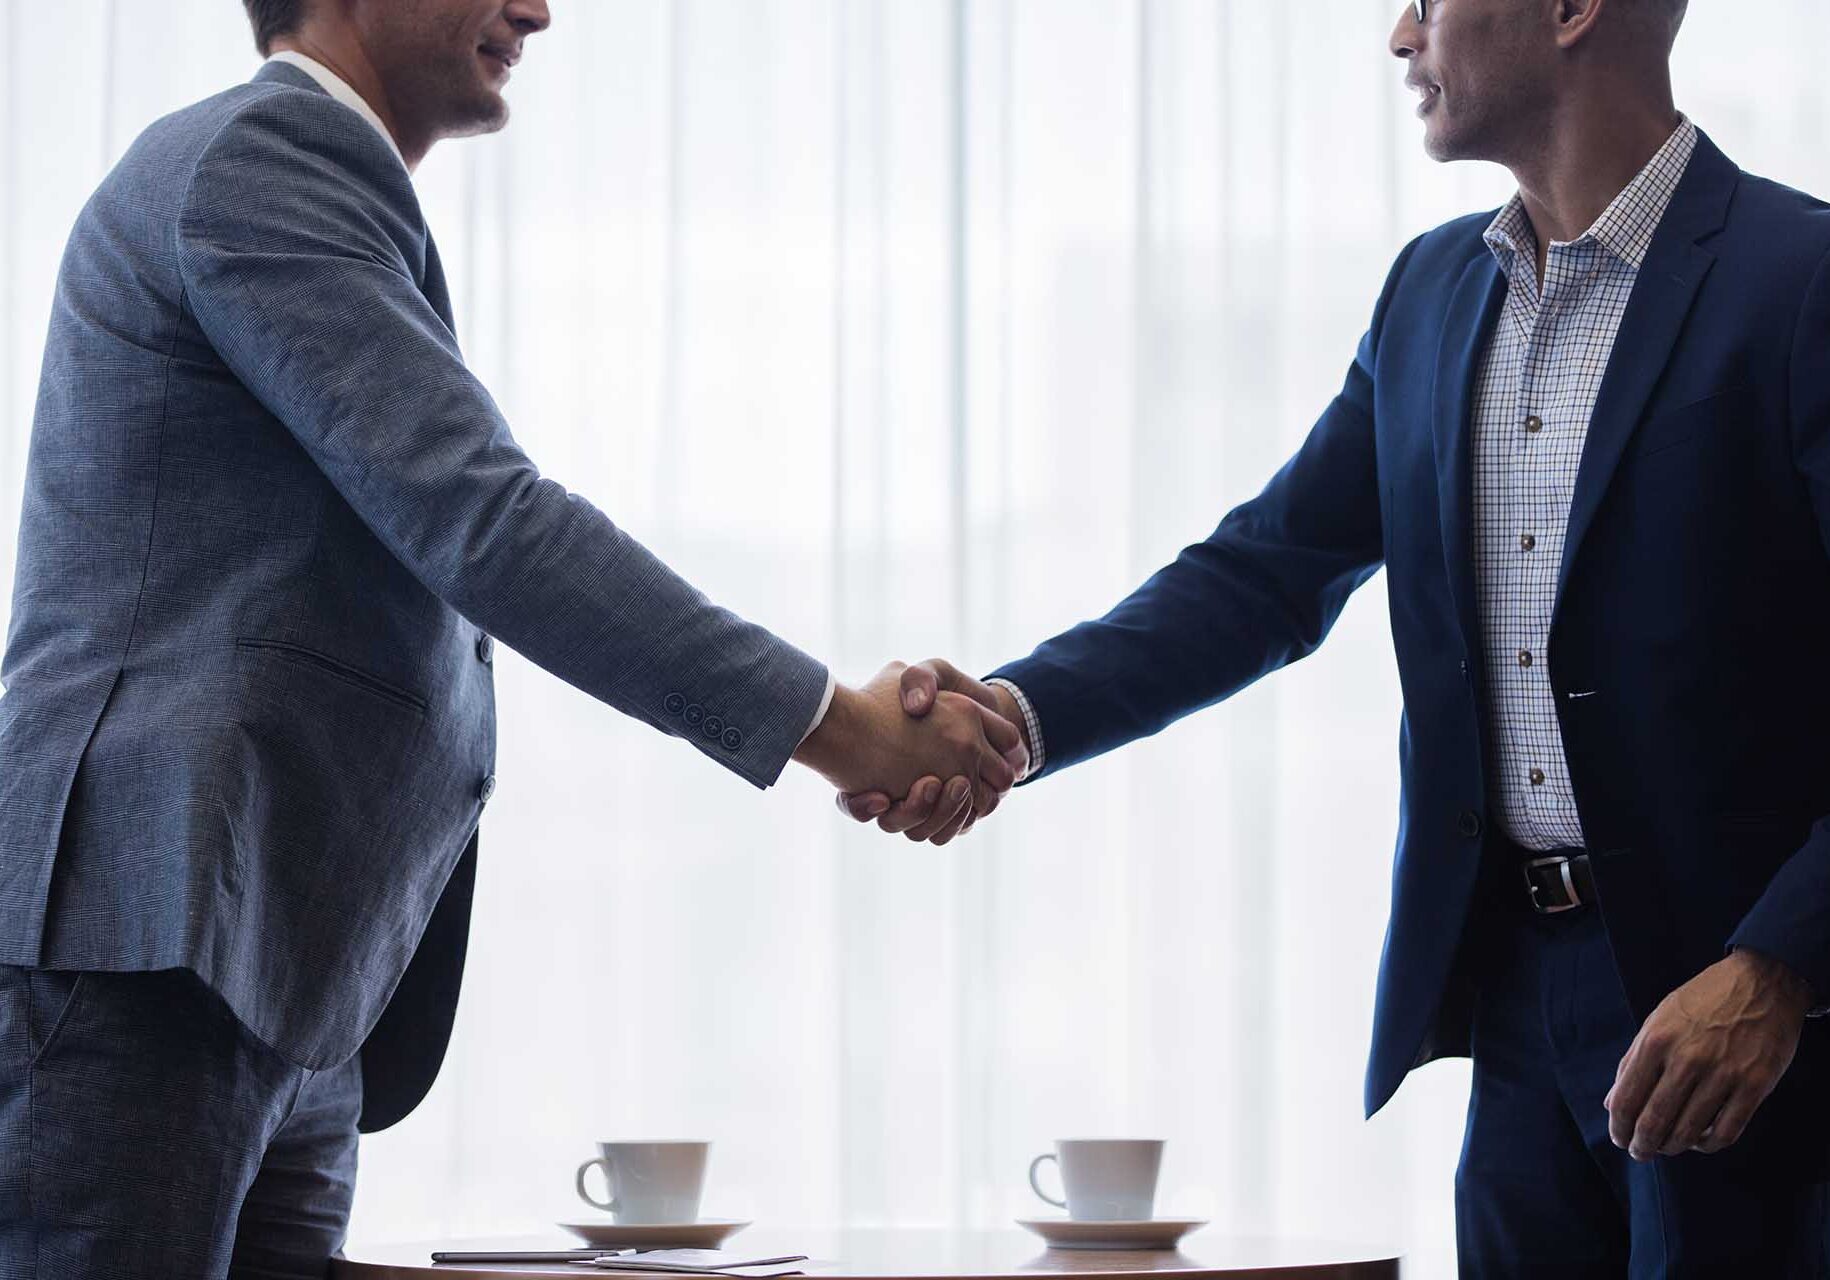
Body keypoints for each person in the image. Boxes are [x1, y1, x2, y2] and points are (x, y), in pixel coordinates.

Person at [0, 2, 1024, 1276]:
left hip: (261, 966)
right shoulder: (261, 160)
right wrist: (838, 726)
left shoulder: (313, 181)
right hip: (147, 941)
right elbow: (482, 519)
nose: (538, 6)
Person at [846, 0, 1830, 1272]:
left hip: (1747, 1029)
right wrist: (1012, 721)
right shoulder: (1430, 292)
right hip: (1522, 1010)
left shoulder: (1802, 282)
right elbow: (1263, 573)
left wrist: (1783, 966)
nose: (1400, 34)